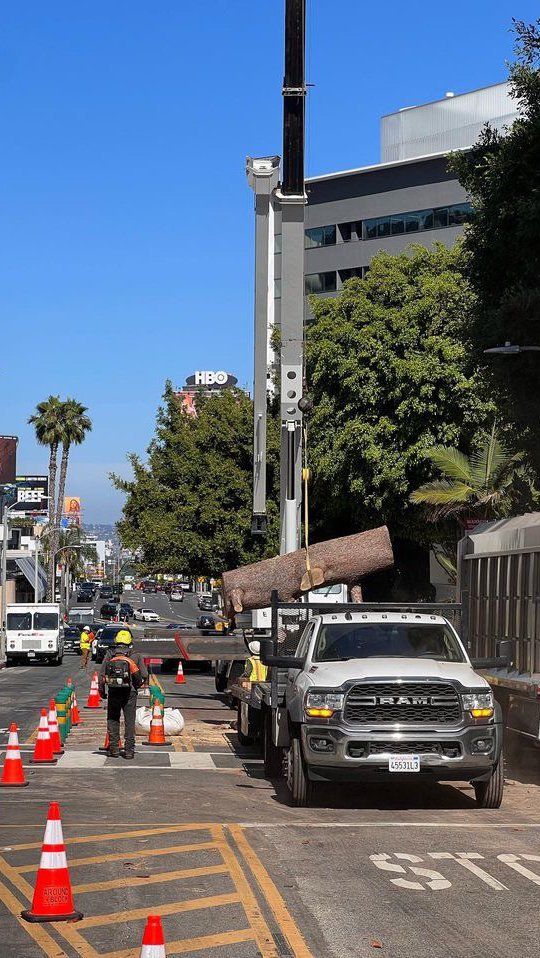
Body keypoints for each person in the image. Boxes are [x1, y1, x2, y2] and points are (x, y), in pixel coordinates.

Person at [98, 629, 148, 759]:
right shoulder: (135, 655)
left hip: (114, 691)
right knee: (129, 722)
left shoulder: (110, 654)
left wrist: (102, 691)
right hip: (130, 692)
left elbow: (101, 675)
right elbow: (144, 675)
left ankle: (114, 749)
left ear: (116, 640)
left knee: (113, 719)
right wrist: (136, 686)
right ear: (129, 641)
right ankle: (129, 751)